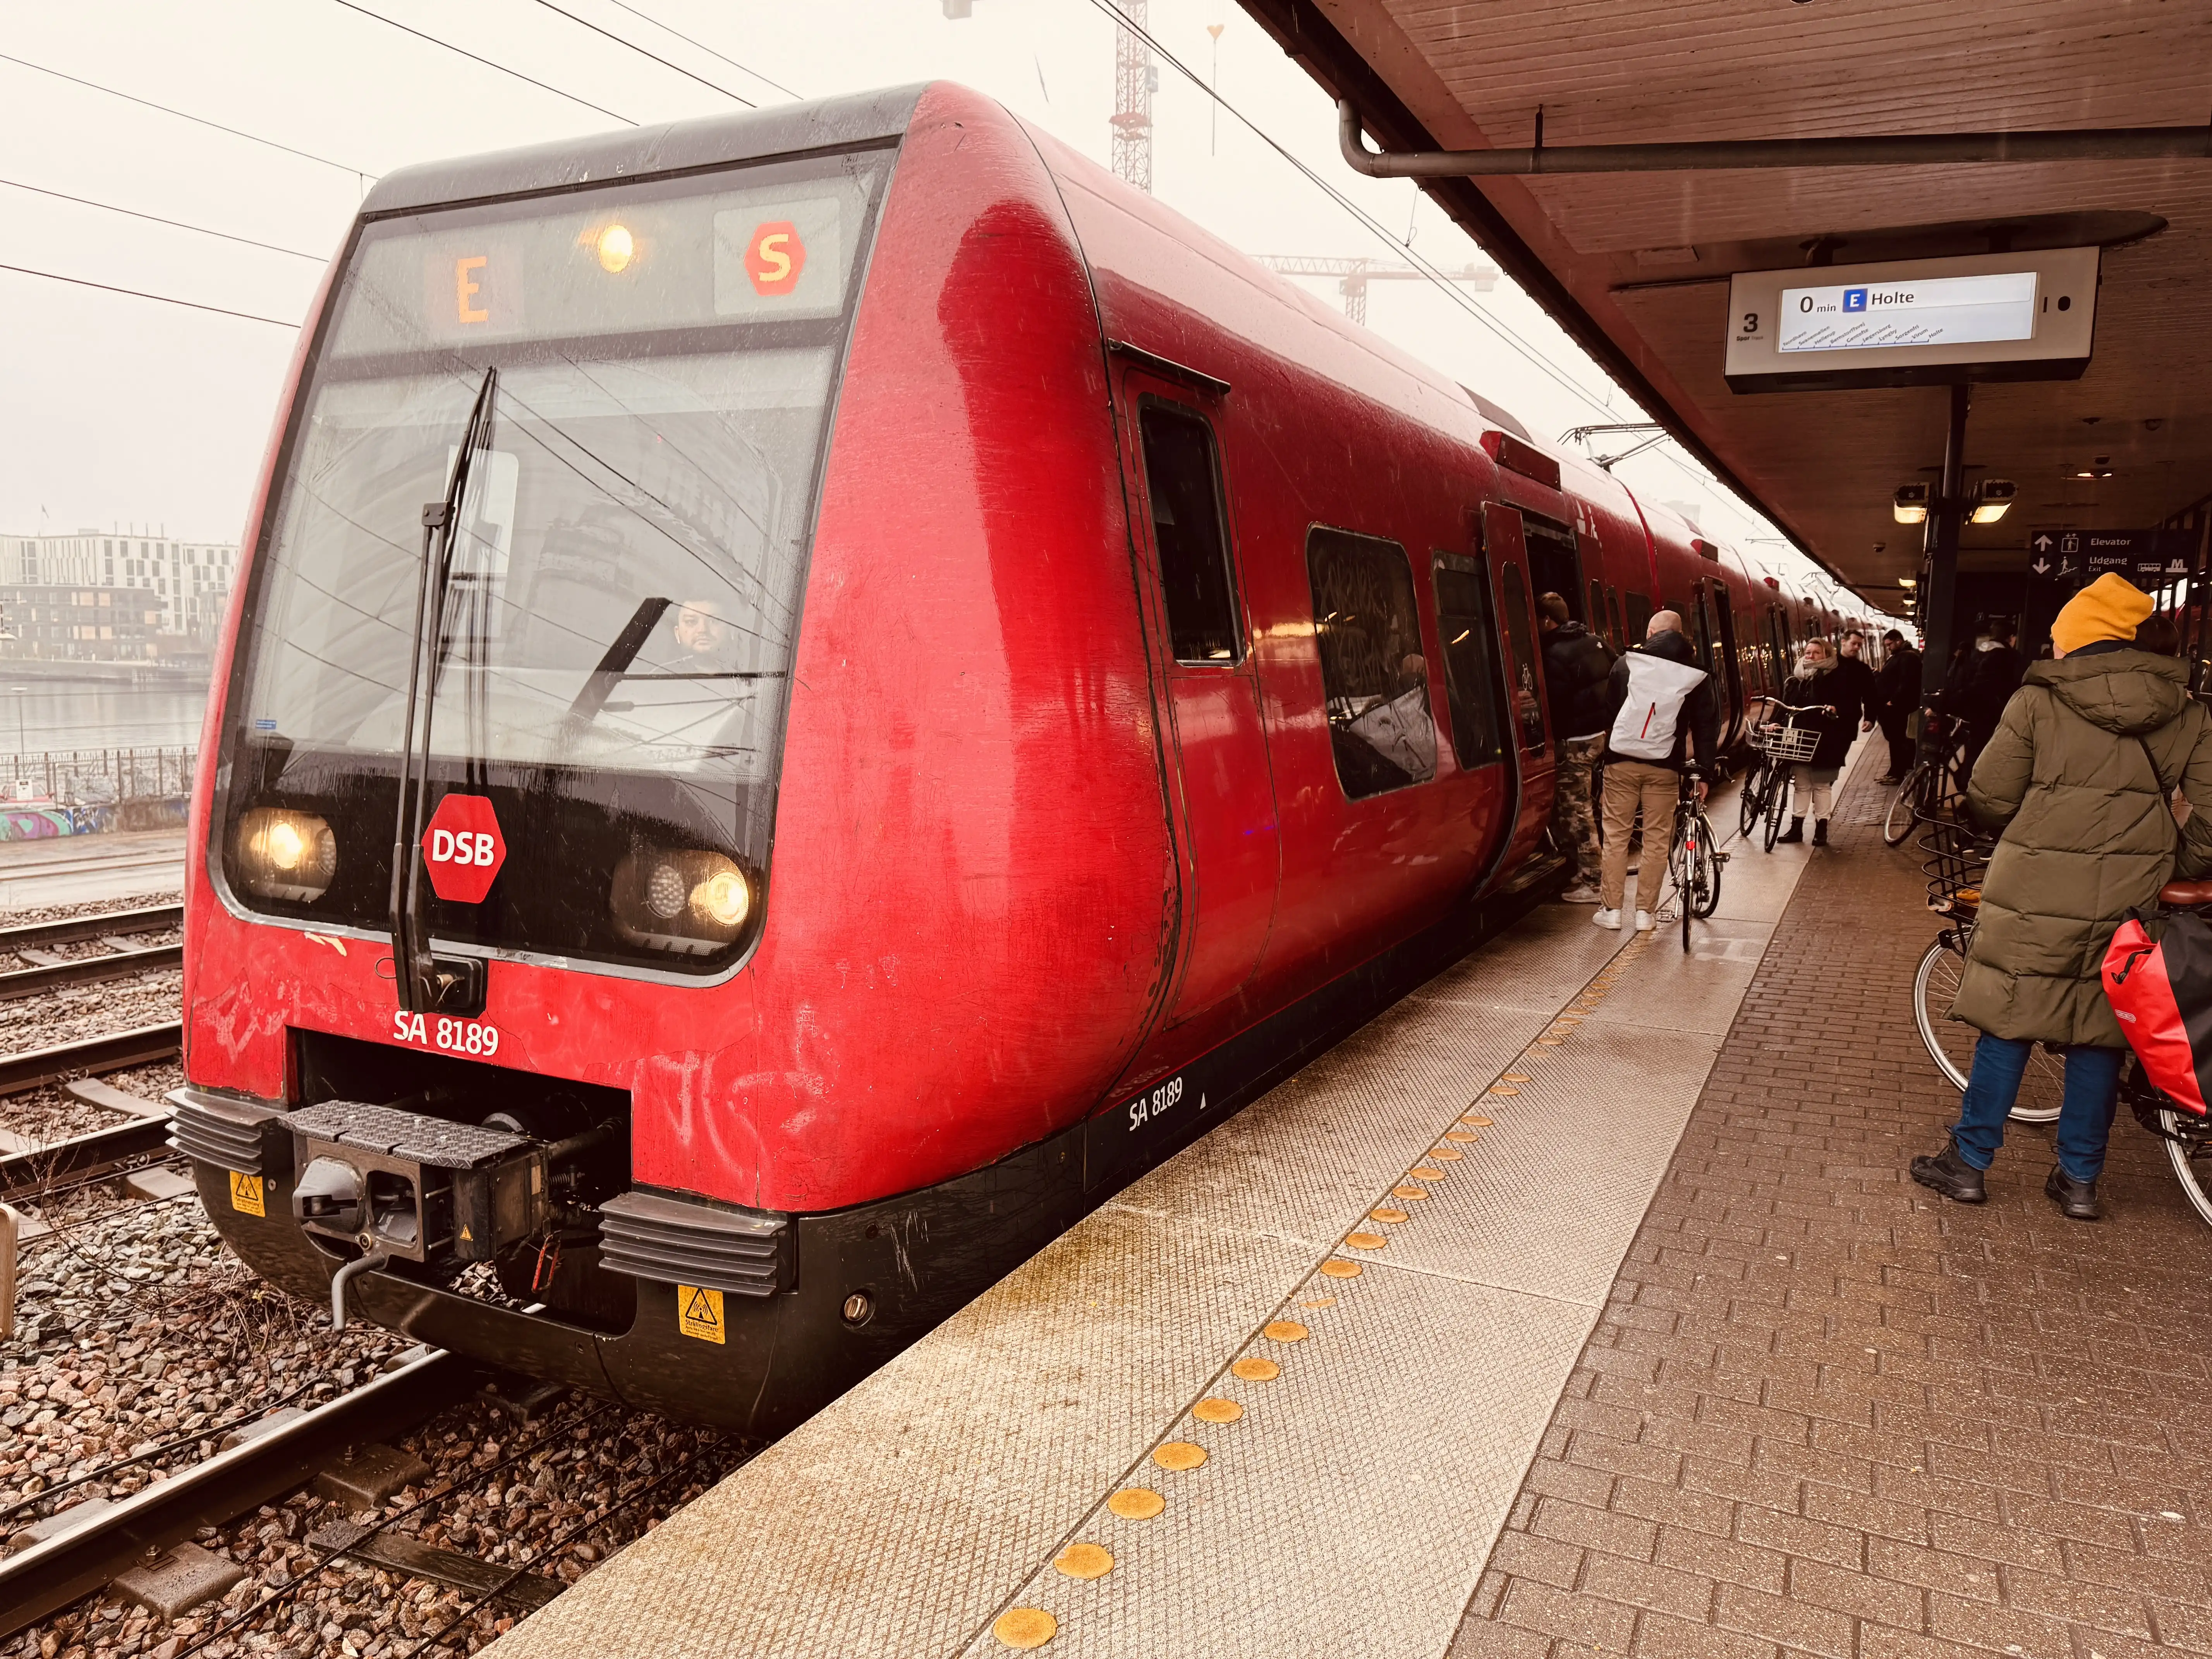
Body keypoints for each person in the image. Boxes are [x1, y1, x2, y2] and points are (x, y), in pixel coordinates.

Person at [1911, 575, 2212, 1220]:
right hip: (2133, 896)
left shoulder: (2037, 700)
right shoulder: (2187, 710)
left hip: (2033, 887)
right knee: (2100, 1034)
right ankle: (2078, 1180)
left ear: (2078, 636)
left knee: (2009, 1020)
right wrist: (2170, 865)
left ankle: (1968, 1164)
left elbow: (1989, 794)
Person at [1594, 609, 1719, 931]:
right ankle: (1645, 914)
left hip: (1621, 764)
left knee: (1617, 838)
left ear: (1650, 633)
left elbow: (1609, 716)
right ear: (1683, 637)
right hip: (1665, 767)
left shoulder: (1626, 665)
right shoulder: (1694, 675)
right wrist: (1704, 772)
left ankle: (1611, 911)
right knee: (1657, 841)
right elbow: (1707, 726)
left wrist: (1609, 756)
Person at [1538, 592, 1616, 902]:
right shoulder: (1594, 641)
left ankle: (1593, 881)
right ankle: (1583, 869)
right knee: (1578, 804)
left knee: (1576, 809)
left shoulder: (1554, 653)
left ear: (1547, 620)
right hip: (1599, 734)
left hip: (1574, 742)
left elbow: (1554, 706)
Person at [1772, 637, 1865, 846]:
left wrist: (1836, 710)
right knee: (1802, 785)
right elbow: (1786, 706)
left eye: (1816, 653)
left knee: (1822, 785)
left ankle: (1821, 829)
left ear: (1827, 655)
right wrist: (1776, 723)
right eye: (1808, 652)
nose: (1810, 656)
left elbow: (1852, 707)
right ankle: (1796, 828)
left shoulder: (1840, 677)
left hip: (1828, 739)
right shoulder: (1796, 679)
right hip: (1800, 738)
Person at [1956, 620, 2025, 788]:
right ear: (2011, 638)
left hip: (1972, 713)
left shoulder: (1976, 653)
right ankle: (1975, 795)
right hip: (1995, 716)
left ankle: (1966, 788)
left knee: (1973, 752)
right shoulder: (2009, 657)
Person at [1873, 628, 1921, 782]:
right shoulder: (1901, 656)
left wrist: (1893, 701)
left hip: (1897, 709)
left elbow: (1907, 682)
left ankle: (1897, 774)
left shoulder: (1908, 657)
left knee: (1898, 741)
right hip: (1894, 707)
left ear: (1898, 642)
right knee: (1895, 742)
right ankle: (1894, 772)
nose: (1888, 648)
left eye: (1889, 645)